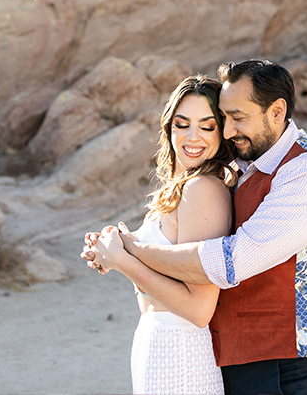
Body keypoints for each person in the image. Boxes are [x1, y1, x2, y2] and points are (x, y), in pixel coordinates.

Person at [85, 60, 307, 395]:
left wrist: (129, 253)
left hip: (290, 364)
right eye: (224, 119)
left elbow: (232, 261)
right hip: (236, 357)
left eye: (236, 118)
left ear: (277, 111)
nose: (227, 131)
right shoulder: (246, 167)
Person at [82, 75, 237, 395]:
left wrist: (124, 260)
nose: (193, 136)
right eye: (183, 124)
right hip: (156, 344)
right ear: (169, 128)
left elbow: (199, 310)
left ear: (223, 133)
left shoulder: (203, 189)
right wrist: (111, 250)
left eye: (207, 126)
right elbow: (162, 270)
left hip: (182, 353)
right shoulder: (179, 189)